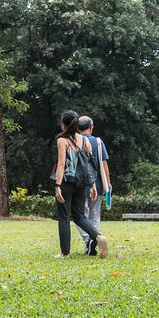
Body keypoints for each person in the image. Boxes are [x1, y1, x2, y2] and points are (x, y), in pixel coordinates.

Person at [53, 110, 108, 259]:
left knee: (64, 217)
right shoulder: (85, 141)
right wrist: (92, 185)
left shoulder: (62, 140)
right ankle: (98, 237)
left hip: (66, 182)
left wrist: (58, 186)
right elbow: (89, 164)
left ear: (64, 124)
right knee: (80, 216)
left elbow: (61, 164)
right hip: (82, 183)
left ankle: (64, 253)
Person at [75, 116, 111, 256]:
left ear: (78, 127)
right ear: (91, 127)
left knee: (80, 215)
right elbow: (104, 163)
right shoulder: (98, 142)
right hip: (98, 183)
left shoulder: (74, 141)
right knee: (94, 215)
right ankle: (93, 241)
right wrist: (107, 182)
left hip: (80, 185)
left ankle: (88, 241)